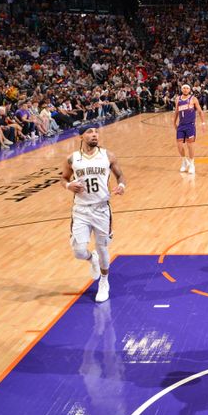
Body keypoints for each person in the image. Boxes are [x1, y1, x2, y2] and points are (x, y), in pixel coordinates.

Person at [60, 127, 126, 303]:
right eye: (90, 132)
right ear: (81, 136)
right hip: (80, 209)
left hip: (101, 208)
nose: (94, 134)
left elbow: (120, 176)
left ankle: (104, 282)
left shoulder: (108, 156)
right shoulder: (72, 158)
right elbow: (63, 178)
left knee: (103, 247)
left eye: (96, 132)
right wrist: (68, 186)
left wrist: (121, 186)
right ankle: (92, 258)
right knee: (79, 251)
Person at [172, 84, 206, 175]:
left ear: (189, 89)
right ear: (181, 89)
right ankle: (184, 161)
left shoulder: (193, 99)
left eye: (187, 88)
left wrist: (203, 123)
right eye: (184, 88)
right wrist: (174, 122)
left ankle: (192, 164)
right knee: (179, 145)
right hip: (181, 125)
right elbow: (176, 111)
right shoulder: (178, 99)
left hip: (190, 125)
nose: (185, 89)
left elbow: (200, 111)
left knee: (190, 145)